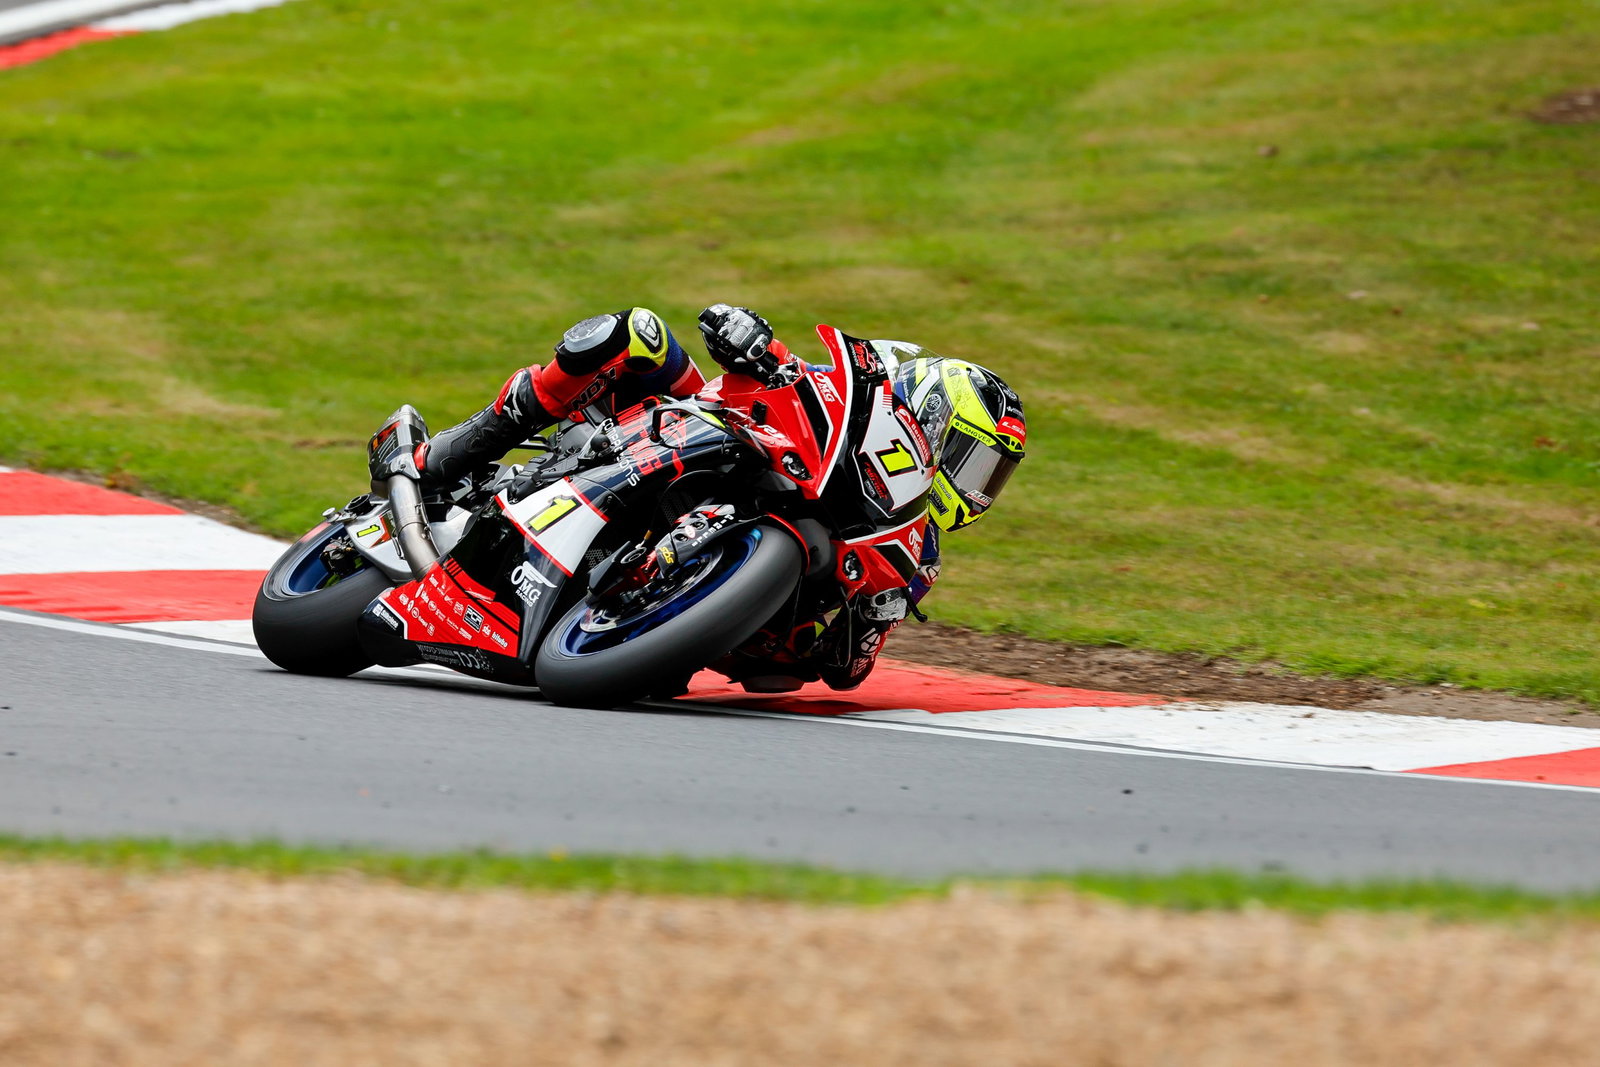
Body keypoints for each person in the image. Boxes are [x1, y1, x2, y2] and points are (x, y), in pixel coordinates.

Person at [415, 304, 1026, 690]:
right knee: (635, 334)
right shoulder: (844, 397)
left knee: (767, 675)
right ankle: (451, 454)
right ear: (936, 416)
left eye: (991, 475)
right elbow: (760, 354)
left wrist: (871, 619)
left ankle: (643, 606)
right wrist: (746, 336)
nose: (976, 486)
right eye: (974, 461)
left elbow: (847, 673)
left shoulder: (917, 551)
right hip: (687, 433)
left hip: (727, 632)